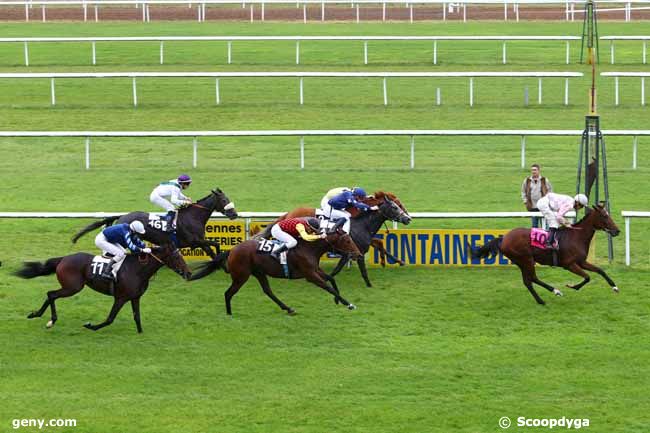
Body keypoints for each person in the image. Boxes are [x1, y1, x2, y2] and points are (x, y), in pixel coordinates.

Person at [521, 164, 553, 228]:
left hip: (543, 206)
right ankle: (535, 238)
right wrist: (525, 201)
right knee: (534, 225)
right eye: (532, 170)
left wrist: (549, 201)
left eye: (535, 170)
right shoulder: (527, 181)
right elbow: (523, 191)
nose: (533, 171)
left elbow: (550, 191)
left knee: (545, 225)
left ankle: (546, 237)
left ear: (539, 170)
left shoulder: (544, 180)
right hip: (532, 206)